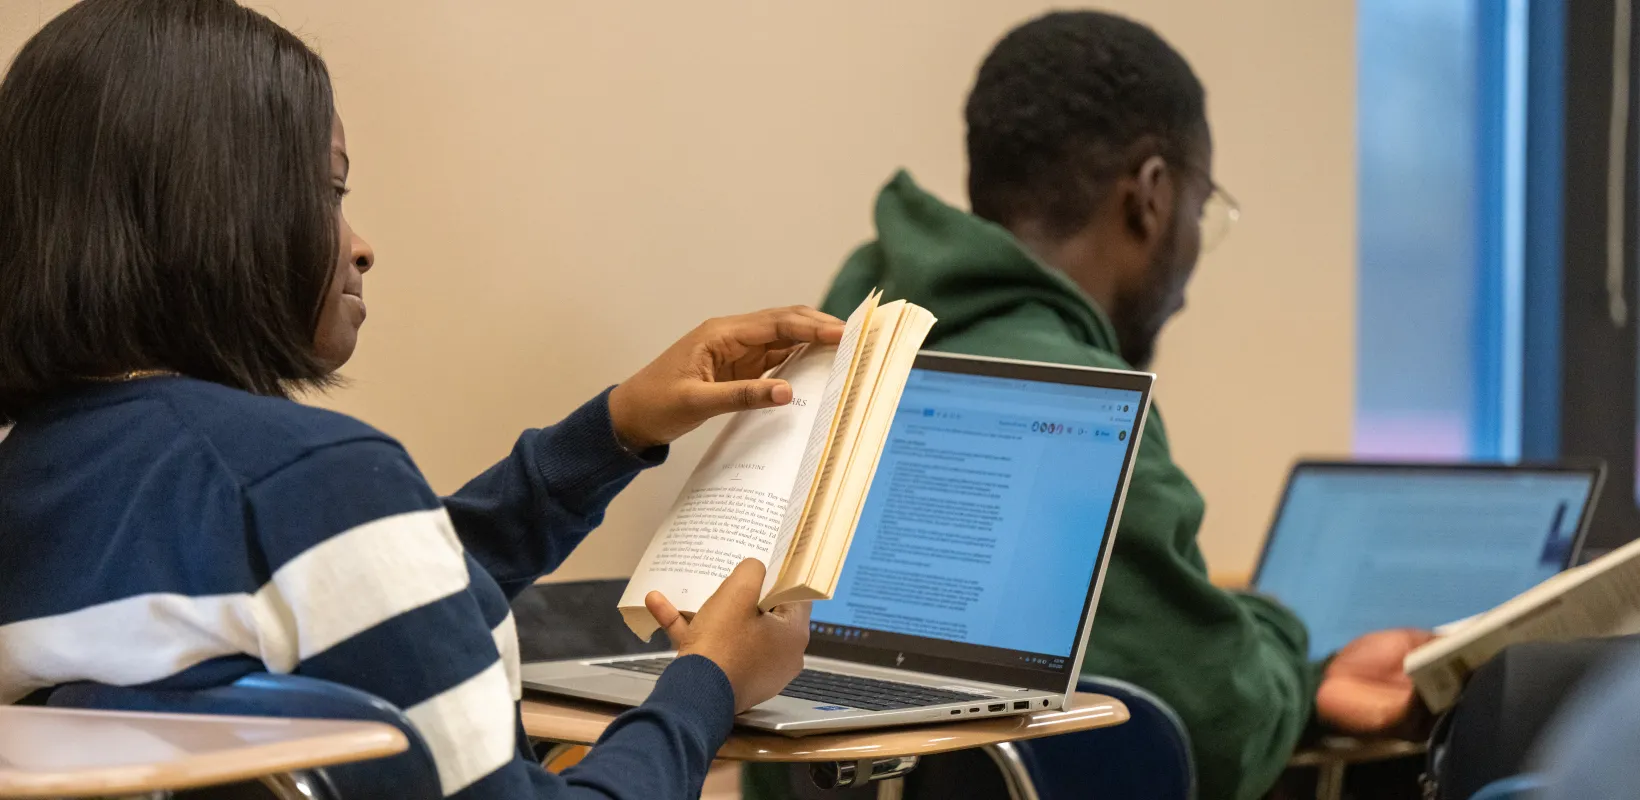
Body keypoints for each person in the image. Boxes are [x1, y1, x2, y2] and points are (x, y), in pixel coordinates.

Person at [0, 1, 835, 798]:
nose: (361, 248)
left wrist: (612, 432)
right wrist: (707, 685)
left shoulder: (46, 478)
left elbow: (373, 602)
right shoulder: (305, 479)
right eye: (332, 193)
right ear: (209, 208)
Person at [746, 11, 1432, 800]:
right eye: (1198, 209)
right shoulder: (1074, 400)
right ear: (1150, 195)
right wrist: (1280, 631)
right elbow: (1217, 729)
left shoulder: (848, 342)